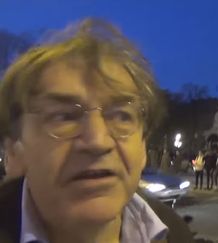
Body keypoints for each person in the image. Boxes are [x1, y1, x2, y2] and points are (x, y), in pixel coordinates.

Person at [0, 18, 193, 243]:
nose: (98, 141)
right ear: (14, 150)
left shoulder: (175, 234)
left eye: (122, 116)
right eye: (64, 116)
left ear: (142, 147)